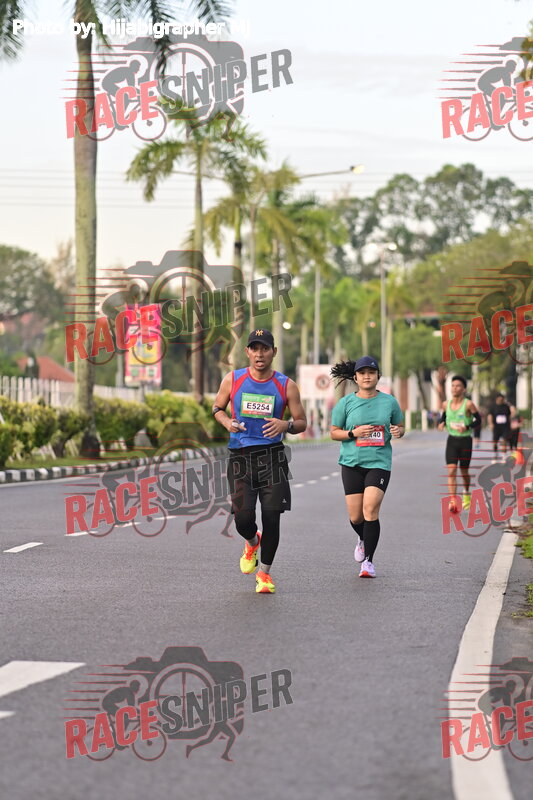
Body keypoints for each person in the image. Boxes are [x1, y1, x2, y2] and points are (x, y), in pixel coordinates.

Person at [212, 329, 307, 594]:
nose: (259, 354)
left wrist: (285, 424)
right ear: (247, 352)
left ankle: (264, 573)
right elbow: (217, 408)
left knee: (272, 517)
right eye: (254, 348)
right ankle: (253, 541)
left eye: (265, 348)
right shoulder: (233, 379)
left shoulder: (286, 385)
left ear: (273, 352)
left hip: (272, 457)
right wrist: (226, 422)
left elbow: (302, 422)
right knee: (243, 518)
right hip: (240, 457)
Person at [329, 356, 404, 579]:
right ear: (356, 377)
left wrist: (399, 431)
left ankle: (368, 562)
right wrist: (354, 433)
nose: (367, 376)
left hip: (379, 463)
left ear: (378, 376)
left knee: (370, 509)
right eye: (362, 373)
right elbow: (334, 432)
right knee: (356, 517)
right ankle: (362, 538)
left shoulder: (389, 402)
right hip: (351, 463)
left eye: (371, 372)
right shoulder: (345, 403)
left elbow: (400, 426)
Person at [438, 375, 481, 512]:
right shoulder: (446, 404)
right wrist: (441, 423)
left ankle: (466, 493)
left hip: (465, 441)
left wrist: (467, 427)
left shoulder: (468, 404)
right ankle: (453, 501)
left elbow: (479, 420)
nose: (455, 388)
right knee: (451, 471)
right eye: (453, 385)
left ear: (464, 389)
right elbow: (443, 417)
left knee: (464, 472)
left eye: (458, 386)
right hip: (452, 441)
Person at [488, 393, 513, 461]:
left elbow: (509, 416)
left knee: (504, 440)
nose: (501, 401)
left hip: (505, 426)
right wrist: (490, 424)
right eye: (499, 399)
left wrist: (511, 424)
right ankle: (495, 454)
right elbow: (490, 416)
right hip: (496, 426)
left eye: (502, 399)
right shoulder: (493, 407)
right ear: (497, 399)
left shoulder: (506, 406)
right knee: (495, 441)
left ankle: (504, 456)